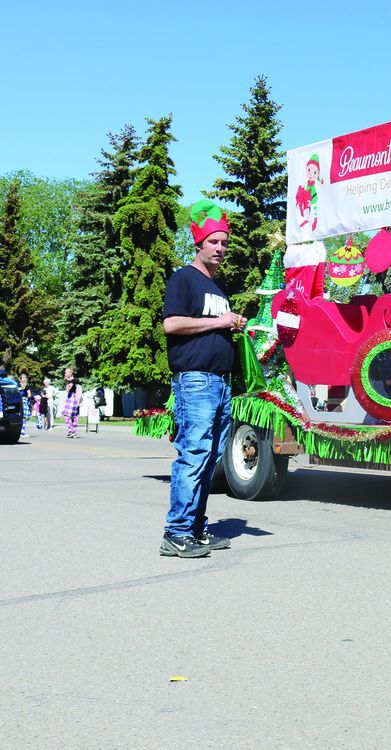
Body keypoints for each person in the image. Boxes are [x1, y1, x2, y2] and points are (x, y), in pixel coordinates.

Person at [160, 199, 246, 559]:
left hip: (220, 383)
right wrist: (219, 322)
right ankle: (175, 533)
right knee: (193, 455)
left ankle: (196, 529)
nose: (221, 249)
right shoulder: (184, 279)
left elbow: (215, 328)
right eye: (215, 242)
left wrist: (234, 325)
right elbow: (172, 324)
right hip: (195, 382)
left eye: (225, 243)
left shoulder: (218, 288)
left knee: (210, 459)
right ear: (199, 244)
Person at [61, 369, 82, 438]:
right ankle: (71, 431)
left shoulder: (73, 381)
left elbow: (68, 389)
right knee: (72, 417)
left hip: (73, 399)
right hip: (70, 399)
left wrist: (67, 381)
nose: (65, 374)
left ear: (70, 373)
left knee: (67, 416)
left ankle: (72, 431)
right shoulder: (72, 381)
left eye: (66, 373)